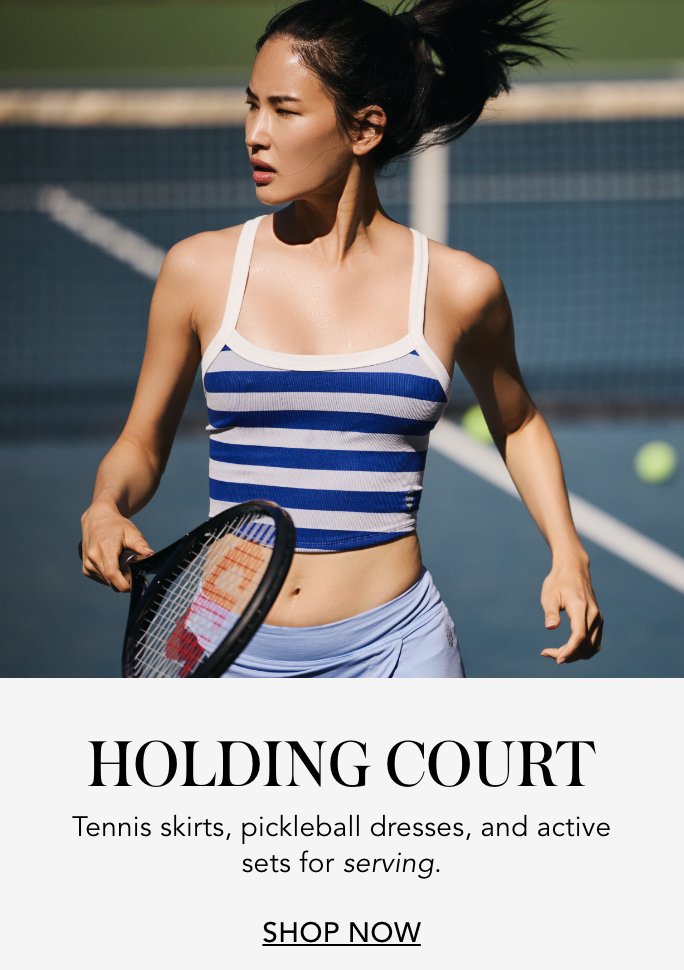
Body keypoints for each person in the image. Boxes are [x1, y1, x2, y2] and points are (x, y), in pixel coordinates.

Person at [80, 0, 603, 677]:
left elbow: (519, 419)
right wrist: (103, 506)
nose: (255, 134)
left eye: (285, 110)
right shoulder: (199, 271)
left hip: (396, 651)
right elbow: (139, 443)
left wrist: (568, 551)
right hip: (223, 647)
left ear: (364, 130)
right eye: (251, 106)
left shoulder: (458, 287)